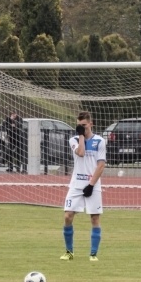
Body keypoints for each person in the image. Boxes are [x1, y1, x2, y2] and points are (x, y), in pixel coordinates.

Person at [60, 111, 107, 262]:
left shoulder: (99, 141)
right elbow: (80, 152)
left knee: (94, 218)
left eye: (84, 126)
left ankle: (93, 254)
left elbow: (101, 165)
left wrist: (91, 185)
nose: (81, 128)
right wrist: (81, 136)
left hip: (92, 184)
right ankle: (69, 252)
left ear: (91, 124)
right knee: (68, 216)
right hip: (76, 184)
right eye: (78, 126)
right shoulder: (73, 140)